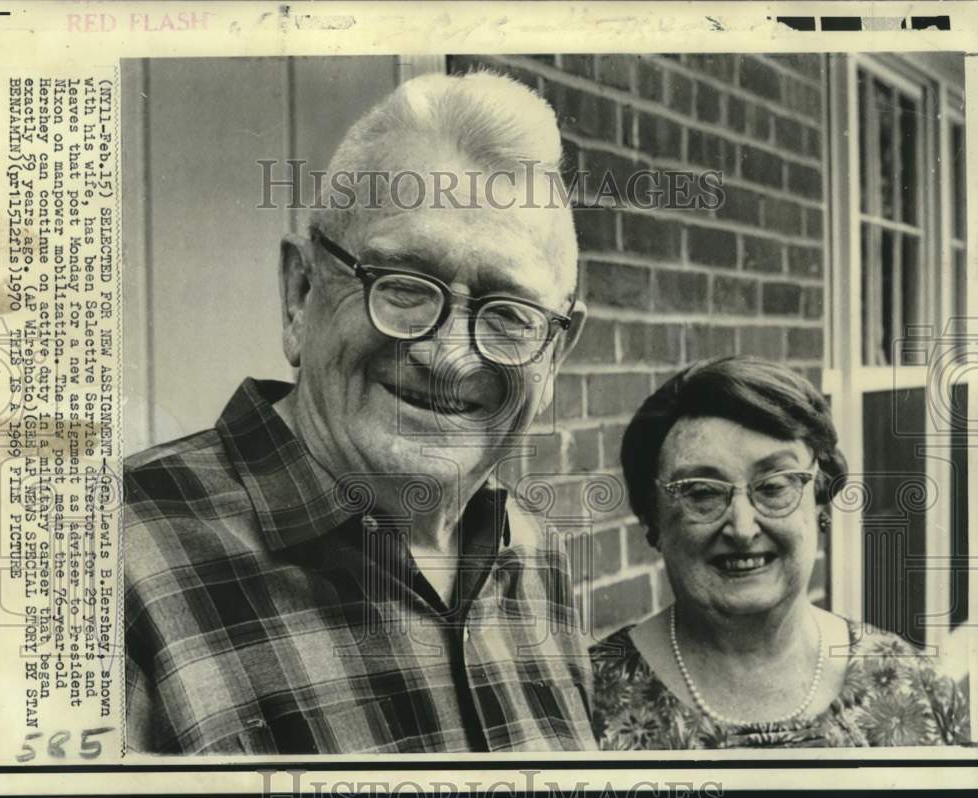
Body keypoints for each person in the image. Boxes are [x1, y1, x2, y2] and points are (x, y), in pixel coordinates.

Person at [124, 71, 596, 754]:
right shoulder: (106, 563)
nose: (450, 357)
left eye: (509, 314)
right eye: (404, 286)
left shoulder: (534, 551)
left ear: (555, 352)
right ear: (300, 292)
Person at [591, 356, 970, 749]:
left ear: (821, 502)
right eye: (701, 492)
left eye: (774, 487)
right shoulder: (582, 704)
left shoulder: (914, 686)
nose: (742, 527)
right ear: (652, 517)